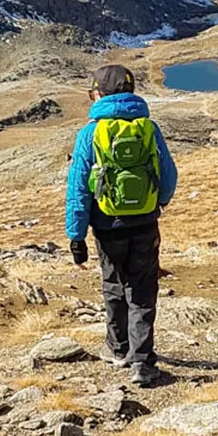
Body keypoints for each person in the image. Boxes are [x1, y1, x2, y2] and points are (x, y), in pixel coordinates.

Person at [65, 63, 177, 388]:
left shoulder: (90, 133)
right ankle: (143, 364)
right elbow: (168, 174)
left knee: (113, 285)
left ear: (99, 94)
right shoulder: (148, 128)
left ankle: (118, 349)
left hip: (107, 226)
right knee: (142, 290)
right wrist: (160, 202)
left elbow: (78, 188)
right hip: (145, 222)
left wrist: (77, 235)